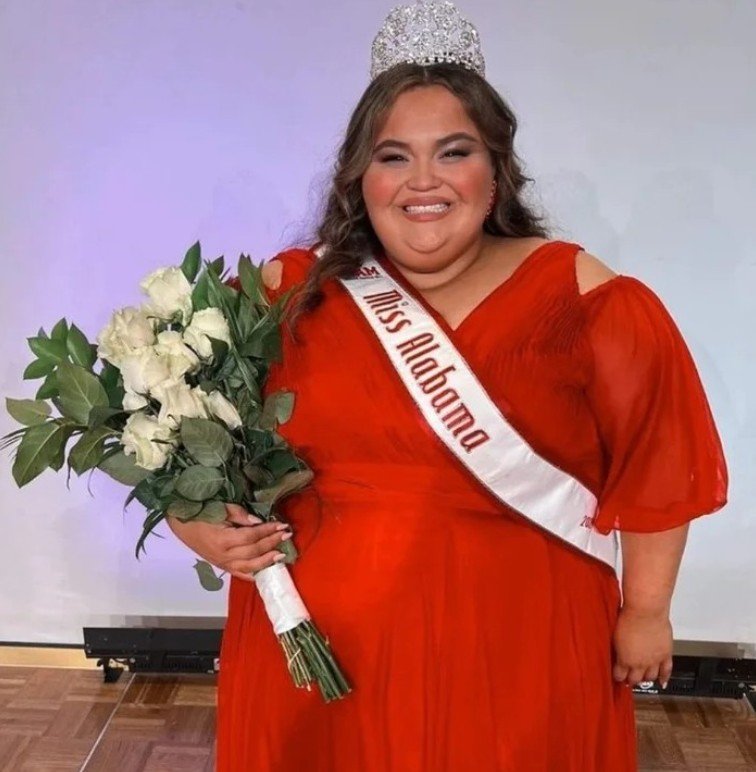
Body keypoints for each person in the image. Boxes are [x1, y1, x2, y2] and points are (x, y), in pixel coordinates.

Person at [167, 2, 728, 770]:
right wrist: (193, 523)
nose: (422, 181)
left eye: (453, 152)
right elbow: (174, 431)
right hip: (322, 665)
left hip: (523, 661)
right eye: (393, 156)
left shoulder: (580, 294)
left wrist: (648, 610)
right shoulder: (285, 293)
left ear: (495, 172)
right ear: (360, 177)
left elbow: (657, 456)